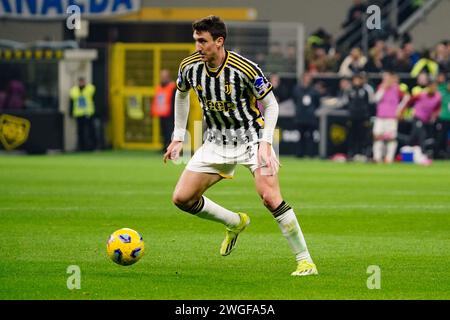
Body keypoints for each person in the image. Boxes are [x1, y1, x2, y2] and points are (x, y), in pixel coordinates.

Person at [163, 16, 318, 276]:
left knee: (269, 197)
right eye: (195, 41)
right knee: (182, 198)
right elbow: (180, 95)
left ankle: (305, 261)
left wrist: (266, 144)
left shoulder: (244, 68)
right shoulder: (189, 66)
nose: (197, 46)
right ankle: (234, 222)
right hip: (215, 141)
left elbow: (271, 105)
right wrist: (178, 136)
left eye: (202, 41)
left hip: (253, 138)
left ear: (219, 41)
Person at [372, 71, 409, 163]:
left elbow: (407, 98)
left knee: (391, 138)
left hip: (391, 117)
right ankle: (377, 157)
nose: (386, 80)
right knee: (377, 136)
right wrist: (383, 88)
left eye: (388, 78)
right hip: (380, 116)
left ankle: (389, 158)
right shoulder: (381, 87)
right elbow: (376, 99)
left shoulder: (397, 88)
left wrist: (400, 110)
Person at [399, 80, 442, 156]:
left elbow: (437, 108)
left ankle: (405, 149)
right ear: (428, 87)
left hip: (426, 120)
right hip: (417, 117)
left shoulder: (438, 97)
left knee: (413, 137)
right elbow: (409, 102)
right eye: (432, 86)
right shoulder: (421, 95)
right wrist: (403, 112)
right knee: (422, 134)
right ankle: (423, 153)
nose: (434, 88)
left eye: (435, 87)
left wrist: (434, 115)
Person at [344, 73, 374, 160]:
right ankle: (352, 153)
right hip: (352, 116)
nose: (357, 81)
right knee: (352, 136)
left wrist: (368, 115)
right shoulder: (349, 90)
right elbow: (346, 102)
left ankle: (363, 153)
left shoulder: (367, 90)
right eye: (355, 79)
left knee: (363, 136)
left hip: (363, 117)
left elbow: (371, 103)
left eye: (358, 79)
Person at [292, 72, 321, 157]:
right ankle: (299, 154)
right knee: (300, 136)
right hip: (300, 116)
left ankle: (311, 154)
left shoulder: (314, 90)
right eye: (306, 77)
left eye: (308, 78)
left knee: (311, 136)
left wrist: (311, 110)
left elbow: (317, 102)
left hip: (310, 117)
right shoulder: (297, 89)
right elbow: (294, 100)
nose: (307, 79)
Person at [152, 69, 177, 151]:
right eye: (162, 76)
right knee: (164, 131)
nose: (163, 78)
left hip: (171, 114)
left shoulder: (173, 87)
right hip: (163, 113)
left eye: (164, 76)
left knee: (170, 131)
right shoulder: (160, 87)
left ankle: (171, 148)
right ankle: (165, 147)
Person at [69, 77, 96, 151]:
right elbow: (71, 102)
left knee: (90, 131)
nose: (81, 83)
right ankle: (81, 147)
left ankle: (93, 147)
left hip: (88, 113)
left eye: (82, 81)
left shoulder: (90, 88)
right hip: (78, 113)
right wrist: (71, 113)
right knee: (80, 132)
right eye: (80, 82)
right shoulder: (74, 90)